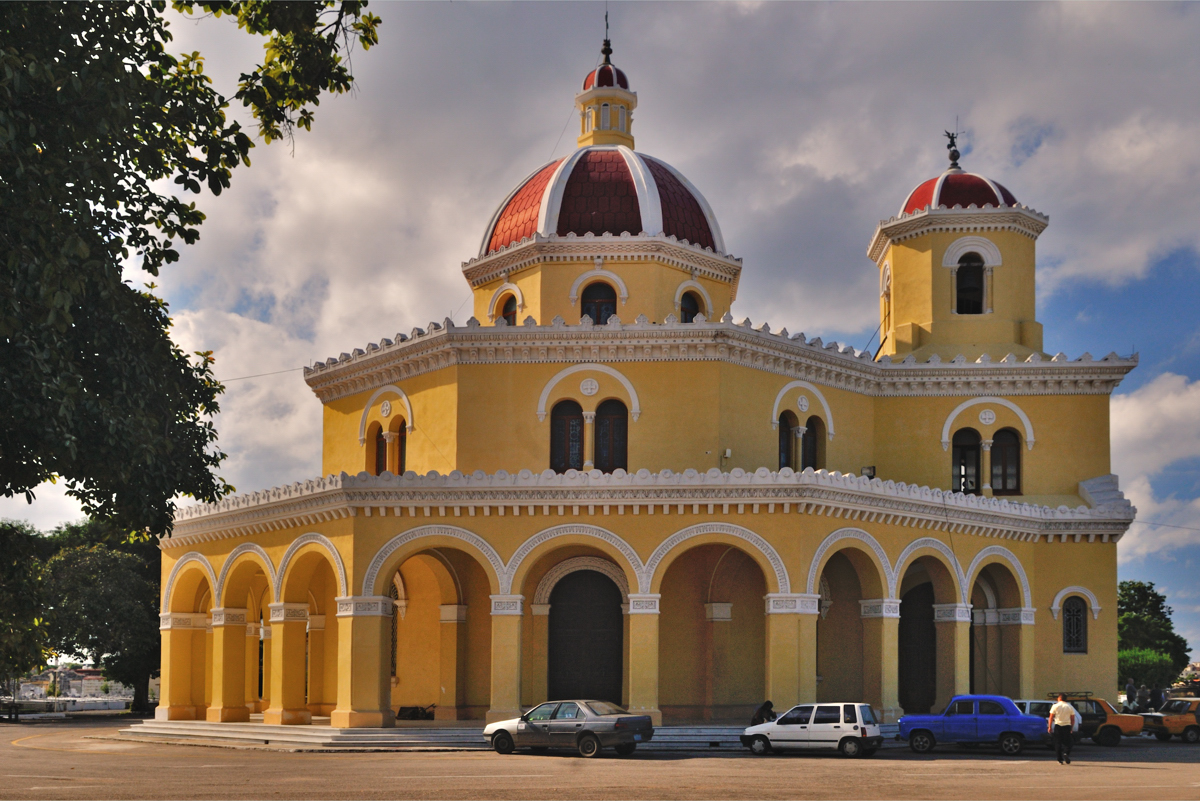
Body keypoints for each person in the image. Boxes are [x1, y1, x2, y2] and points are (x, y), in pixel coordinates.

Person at [1048, 694, 1076, 765]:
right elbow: (1072, 719)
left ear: (1059, 698)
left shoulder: (1055, 706)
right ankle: (1066, 753)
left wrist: (1050, 726)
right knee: (1069, 742)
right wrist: (1071, 728)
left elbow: (1051, 717)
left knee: (1058, 742)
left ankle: (1059, 759)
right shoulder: (1069, 706)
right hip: (1067, 726)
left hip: (1058, 726)